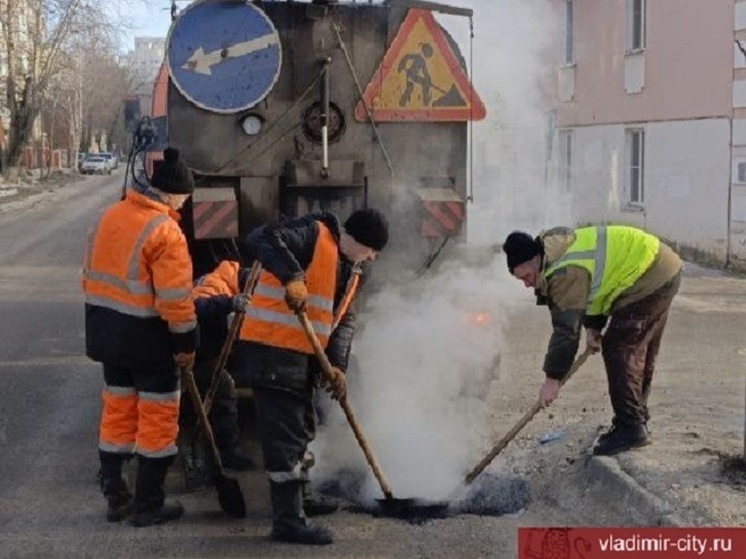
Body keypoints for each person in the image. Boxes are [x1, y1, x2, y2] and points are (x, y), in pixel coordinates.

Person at [232, 208, 389, 545]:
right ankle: (288, 522)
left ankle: (301, 498)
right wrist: (292, 276)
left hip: (301, 359)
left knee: (302, 427)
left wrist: (338, 367)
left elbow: (342, 322)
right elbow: (261, 237)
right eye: (372, 250)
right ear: (357, 240)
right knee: (286, 439)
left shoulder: (353, 272)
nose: (372, 258)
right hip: (272, 349)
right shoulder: (313, 235)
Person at [83, 147, 197, 526]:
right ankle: (149, 505)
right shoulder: (165, 231)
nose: (184, 203)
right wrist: (186, 342)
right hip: (149, 341)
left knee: (117, 415)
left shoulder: (109, 216)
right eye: (184, 196)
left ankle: (117, 499)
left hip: (106, 335)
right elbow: (176, 300)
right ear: (170, 193)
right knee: (157, 421)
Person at [502, 225, 682, 456]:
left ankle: (631, 428)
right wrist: (594, 327)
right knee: (636, 348)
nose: (527, 284)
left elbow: (566, 332)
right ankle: (634, 419)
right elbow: (595, 287)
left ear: (536, 259)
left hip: (648, 275)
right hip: (657, 268)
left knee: (621, 349)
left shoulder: (563, 272)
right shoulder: (556, 253)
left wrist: (552, 378)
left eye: (526, 276)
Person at [181, 260, 255, 471]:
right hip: (189, 354)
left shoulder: (224, 280)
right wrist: (229, 303)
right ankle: (220, 455)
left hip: (200, 351)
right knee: (223, 392)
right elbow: (195, 307)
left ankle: (213, 453)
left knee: (217, 394)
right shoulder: (215, 285)